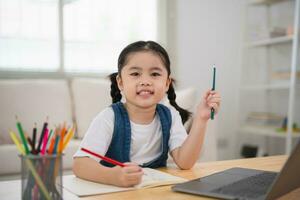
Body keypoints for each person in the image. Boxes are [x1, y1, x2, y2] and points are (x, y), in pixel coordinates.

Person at [73, 41, 221, 187]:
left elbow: (185, 162)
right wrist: (113, 176)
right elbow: (80, 164)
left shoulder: (171, 116)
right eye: (135, 74)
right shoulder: (108, 117)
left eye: (155, 74)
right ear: (120, 82)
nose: (145, 81)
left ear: (167, 83)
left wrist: (201, 119)